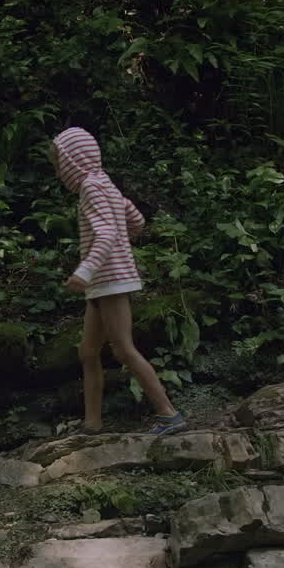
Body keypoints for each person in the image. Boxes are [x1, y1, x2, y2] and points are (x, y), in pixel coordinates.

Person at [49, 126, 187, 436]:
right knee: (87, 351)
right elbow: (134, 219)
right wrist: (122, 246)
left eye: (60, 165)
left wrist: (85, 270)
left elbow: (108, 232)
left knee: (124, 349)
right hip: (103, 281)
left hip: (107, 280)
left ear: (74, 161)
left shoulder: (91, 188)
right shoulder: (105, 184)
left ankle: (169, 414)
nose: (58, 173)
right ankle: (93, 422)